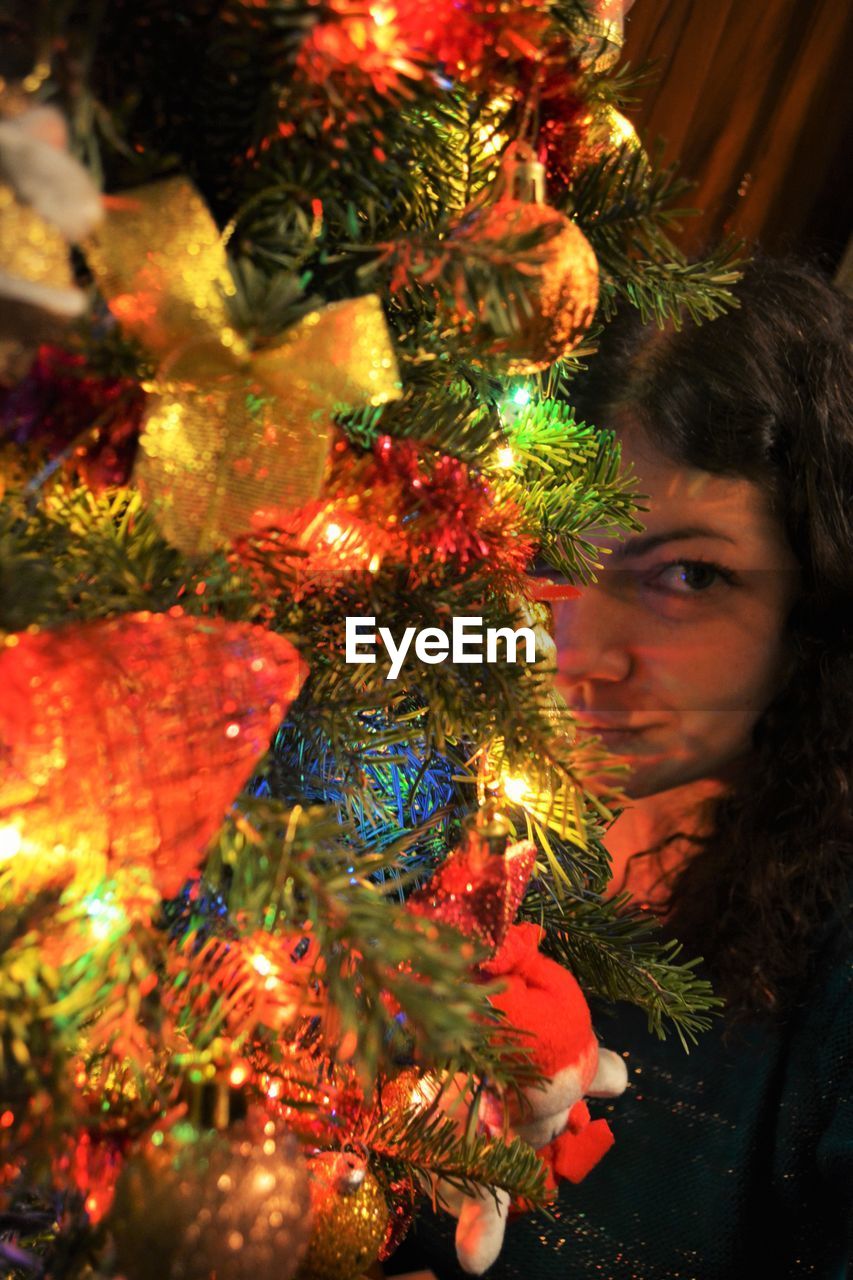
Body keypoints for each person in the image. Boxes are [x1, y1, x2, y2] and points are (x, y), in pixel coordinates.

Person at [391, 259, 853, 1279]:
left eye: (685, 575)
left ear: (812, 607)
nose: (579, 648)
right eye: (558, 556)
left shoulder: (827, 965)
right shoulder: (432, 796)